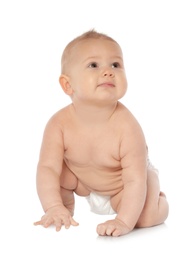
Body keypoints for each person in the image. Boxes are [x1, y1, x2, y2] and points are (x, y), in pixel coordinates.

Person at [34, 29, 169, 237]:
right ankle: (64, 211)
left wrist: (123, 221)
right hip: (84, 183)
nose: (108, 71)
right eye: (93, 65)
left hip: (123, 187)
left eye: (115, 64)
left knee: (144, 217)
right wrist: (53, 205)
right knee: (58, 171)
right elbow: (47, 169)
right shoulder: (58, 124)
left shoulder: (128, 127)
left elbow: (134, 180)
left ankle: (158, 199)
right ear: (68, 85)